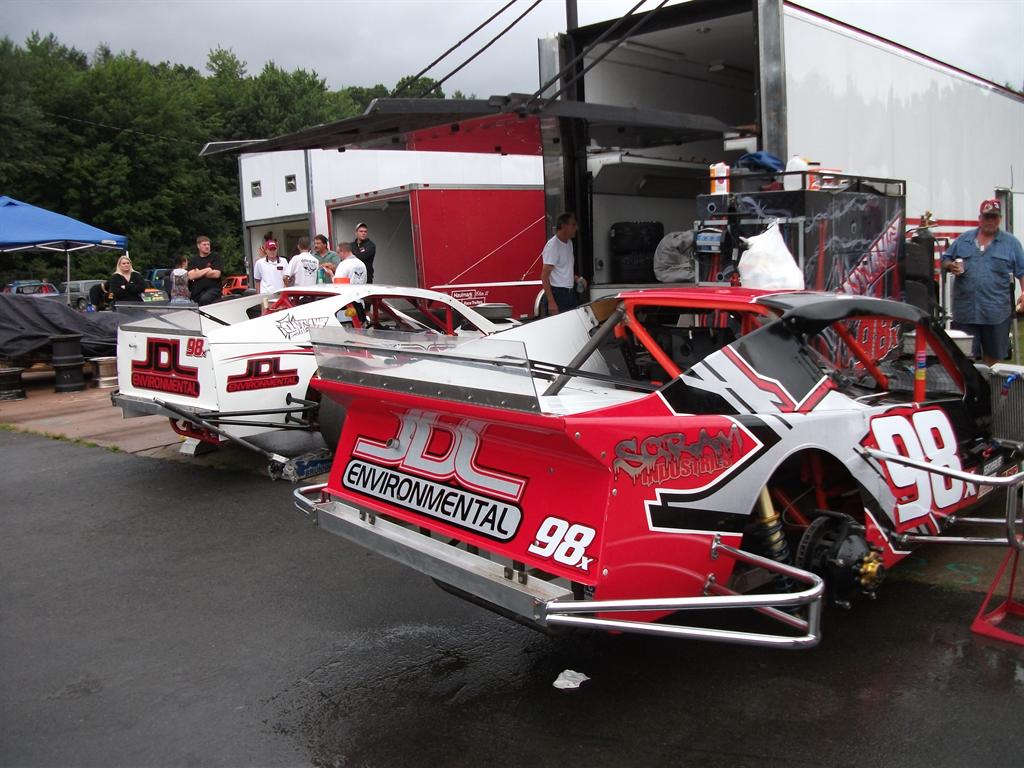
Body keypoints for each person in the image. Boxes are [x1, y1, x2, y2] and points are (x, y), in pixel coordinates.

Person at [942, 198, 1024, 366]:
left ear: (1000, 219)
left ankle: (990, 383)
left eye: (994, 217)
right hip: (965, 312)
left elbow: (1022, 272)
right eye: (987, 217)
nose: (990, 221)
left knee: (993, 359)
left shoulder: (1011, 243)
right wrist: (950, 266)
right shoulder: (964, 239)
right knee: (964, 358)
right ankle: (970, 383)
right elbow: (945, 259)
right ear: (980, 218)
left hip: (996, 313)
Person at [541, 212, 586, 315]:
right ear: (564, 226)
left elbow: (564, 268)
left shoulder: (569, 243)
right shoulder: (553, 246)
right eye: (573, 225)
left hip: (569, 293)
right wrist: (551, 302)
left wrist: (577, 279)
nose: (576, 228)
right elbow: (544, 276)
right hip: (558, 294)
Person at [188, 235, 223, 306]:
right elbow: (191, 276)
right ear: (198, 246)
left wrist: (198, 273)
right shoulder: (193, 260)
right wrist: (208, 269)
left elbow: (216, 274)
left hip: (213, 290)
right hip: (197, 291)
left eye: (208, 244)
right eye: (204, 244)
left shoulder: (216, 257)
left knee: (205, 299)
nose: (207, 246)